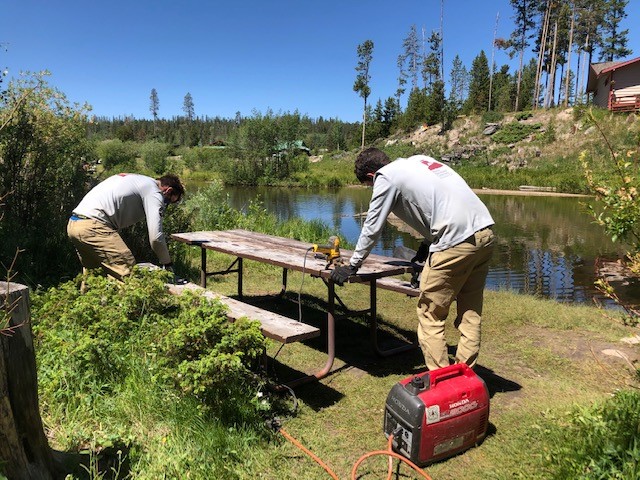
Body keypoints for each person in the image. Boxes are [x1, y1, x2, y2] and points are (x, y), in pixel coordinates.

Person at [330, 148, 495, 371]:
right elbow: (441, 201)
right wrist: (426, 246)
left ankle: (442, 381)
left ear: (371, 176)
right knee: (470, 312)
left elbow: (372, 226)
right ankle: (466, 376)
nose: (372, 188)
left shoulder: (385, 176)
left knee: (430, 314)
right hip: (484, 232)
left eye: (368, 186)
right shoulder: (419, 161)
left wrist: (353, 265)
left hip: (455, 241)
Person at [67, 173, 185, 280]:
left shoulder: (139, 180)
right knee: (127, 270)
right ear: (168, 191)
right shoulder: (154, 192)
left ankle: (86, 302)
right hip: (94, 227)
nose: (166, 204)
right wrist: (167, 263)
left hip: (75, 225)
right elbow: (156, 238)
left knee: (94, 277)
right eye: (169, 201)